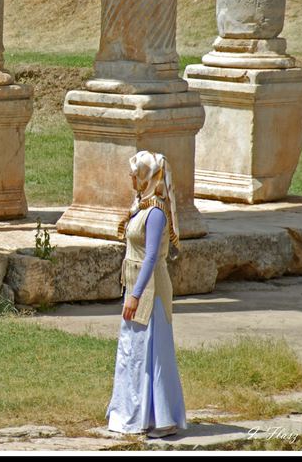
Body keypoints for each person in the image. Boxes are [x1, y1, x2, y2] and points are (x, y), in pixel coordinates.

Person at [105, 150, 187, 438]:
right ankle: (136, 413)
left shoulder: (154, 212)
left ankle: (162, 418)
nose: (130, 178)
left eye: (133, 173)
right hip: (137, 284)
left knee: (153, 353)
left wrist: (135, 295)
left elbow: (151, 256)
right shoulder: (141, 206)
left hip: (150, 288)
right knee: (135, 351)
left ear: (146, 176)